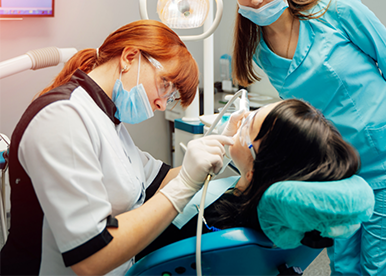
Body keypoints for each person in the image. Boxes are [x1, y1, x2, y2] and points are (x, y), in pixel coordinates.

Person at [227, 0, 386, 275]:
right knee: (343, 263)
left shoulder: (335, 8)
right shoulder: (260, 49)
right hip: (334, 168)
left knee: (379, 267)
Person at [0, 19, 233, 276]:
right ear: (130, 57)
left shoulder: (108, 119)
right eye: (165, 84)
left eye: (171, 95)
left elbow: (159, 179)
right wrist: (186, 184)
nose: (162, 104)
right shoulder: (63, 116)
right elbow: (91, 257)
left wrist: (227, 145)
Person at [137, 98, 360, 258]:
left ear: (254, 170)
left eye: (249, 125)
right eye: (254, 112)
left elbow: (141, 237)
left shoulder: (213, 226)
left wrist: (186, 182)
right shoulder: (284, 221)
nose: (242, 119)